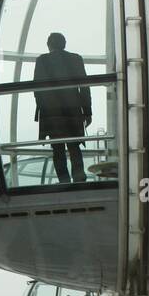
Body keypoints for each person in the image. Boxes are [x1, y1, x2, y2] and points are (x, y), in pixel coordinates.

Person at [33, 32, 93, 183]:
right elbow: (84, 87)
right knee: (74, 146)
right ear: (64, 44)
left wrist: (41, 109)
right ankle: (79, 179)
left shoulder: (42, 60)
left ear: (49, 45)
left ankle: (63, 181)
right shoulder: (75, 59)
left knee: (57, 148)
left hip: (51, 111)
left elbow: (37, 88)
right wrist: (87, 111)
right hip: (73, 109)